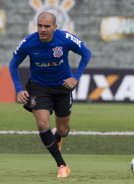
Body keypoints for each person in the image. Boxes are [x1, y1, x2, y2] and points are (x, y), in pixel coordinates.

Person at [9, 11, 92, 177]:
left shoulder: (66, 39)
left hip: (62, 88)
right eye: (40, 25)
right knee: (42, 124)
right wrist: (18, 89)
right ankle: (62, 165)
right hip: (39, 88)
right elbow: (13, 65)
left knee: (63, 130)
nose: (43, 29)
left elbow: (86, 53)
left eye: (47, 26)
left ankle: (57, 136)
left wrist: (75, 78)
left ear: (55, 27)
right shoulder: (28, 43)